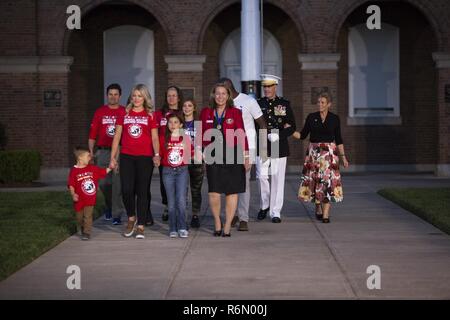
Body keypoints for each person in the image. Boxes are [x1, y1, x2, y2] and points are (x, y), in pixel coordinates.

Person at [109, 84, 160, 239]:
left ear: (145, 98)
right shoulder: (123, 114)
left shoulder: (150, 115)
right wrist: (113, 157)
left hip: (145, 158)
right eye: (134, 95)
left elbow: (154, 137)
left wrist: (156, 154)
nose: (136, 99)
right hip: (126, 157)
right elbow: (117, 137)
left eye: (140, 96)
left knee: (142, 191)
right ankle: (131, 217)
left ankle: (141, 225)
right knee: (126, 190)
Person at [200, 83, 251, 237]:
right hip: (213, 154)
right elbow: (201, 133)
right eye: (217, 93)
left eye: (223, 93)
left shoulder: (235, 112)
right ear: (213, 95)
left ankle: (228, 224)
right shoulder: (206, 112)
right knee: (214, 192)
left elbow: (241, 133)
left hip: (233, 155)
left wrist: (246, 156)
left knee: (231, 191)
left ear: (228, 96)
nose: (220, 96)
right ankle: (217, 221)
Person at [219, 78, 267, 232]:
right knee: (228, 183)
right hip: (227, 148)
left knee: (244, 184)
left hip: (248, 148)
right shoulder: (222, 103)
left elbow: (262, 123)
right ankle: (232, 215)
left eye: (223, 91)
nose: (220, 95)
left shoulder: (248, 101)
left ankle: (243, 218)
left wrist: (263, 146)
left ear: (229, 88)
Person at [297, 92, 349, 223]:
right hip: (314, 154)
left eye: (322, 102)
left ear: (329, 104)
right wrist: (289, 130)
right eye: (318, 102)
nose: (319, 104)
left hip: (330, 155)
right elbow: (302, 135)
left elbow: (339, 139)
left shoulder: (334, 118)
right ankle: (318, 208)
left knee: (328, 182)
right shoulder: (311, 117)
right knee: (315, 182)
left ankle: (326, 213)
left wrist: (343, 157)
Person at [256, 74, 296, 223]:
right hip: (262, 142)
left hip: (279, 143)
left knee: (278, 179)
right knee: (261, 176)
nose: (266, 89)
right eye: (264, 86)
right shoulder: (258, 103)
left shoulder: (284, 104)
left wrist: (279, 134)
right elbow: (254, 124)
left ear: (275, 87)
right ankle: (264, 205)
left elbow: (292, 126)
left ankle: (275, 211)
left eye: (269, 86)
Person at [88, 83, 126, 225]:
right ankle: (109, 205)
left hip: (119, 151)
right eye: (110, 94)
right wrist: (91, 152)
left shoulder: (124, 111)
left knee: (117, 183)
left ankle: (116, 214)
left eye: (116, 94)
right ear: (107, 95)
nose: (113, 97)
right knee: (103, 183)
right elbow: (92, 134)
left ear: (120, 96)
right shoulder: (100, 112)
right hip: (103, 151)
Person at [160, 113, 195, 238]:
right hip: (168, 171)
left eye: (176, 122)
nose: (173, 125)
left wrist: (198, 155)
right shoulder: (163, 138)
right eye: (170, 122)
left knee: (181, 200)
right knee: (171, 202)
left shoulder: (185, 138)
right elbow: (159, 154)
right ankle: (173, 227)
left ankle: (182, 226)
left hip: (182, 171)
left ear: (181, 125)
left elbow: (191, 152)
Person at [68, 146, 111, 240]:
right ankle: (82, 227)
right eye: (88, 156)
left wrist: (110, 167)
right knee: (79, 218)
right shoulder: (74, 171)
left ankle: (87, 232)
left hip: (90, 198)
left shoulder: (92, 168)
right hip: (79, 199)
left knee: (88, 216)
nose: (90, 158)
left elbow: (102, 172)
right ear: (80, 158)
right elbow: (71, 184)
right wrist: (73, 194)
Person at [154, 86, 184, 222]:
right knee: (164, 182)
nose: (171, 98)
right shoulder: (159, 114)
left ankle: (181, 208)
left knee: (182, 183)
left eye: (174, 95)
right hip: (164, 152)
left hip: (180, 151)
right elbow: (155, 133)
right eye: (169, 96)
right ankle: (167, 206)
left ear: (178, 97)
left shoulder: (183, 112)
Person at [182, 99, 204, 228]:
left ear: (194, 108)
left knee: (196, 190)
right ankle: (182, 214)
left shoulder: (198, 124)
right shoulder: (179, 123)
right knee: (182, 190)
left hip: (196, 160)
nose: (187, 108)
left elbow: (202, 141)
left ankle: (195, 214)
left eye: (189, 105)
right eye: (184, 105)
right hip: (182, 160)